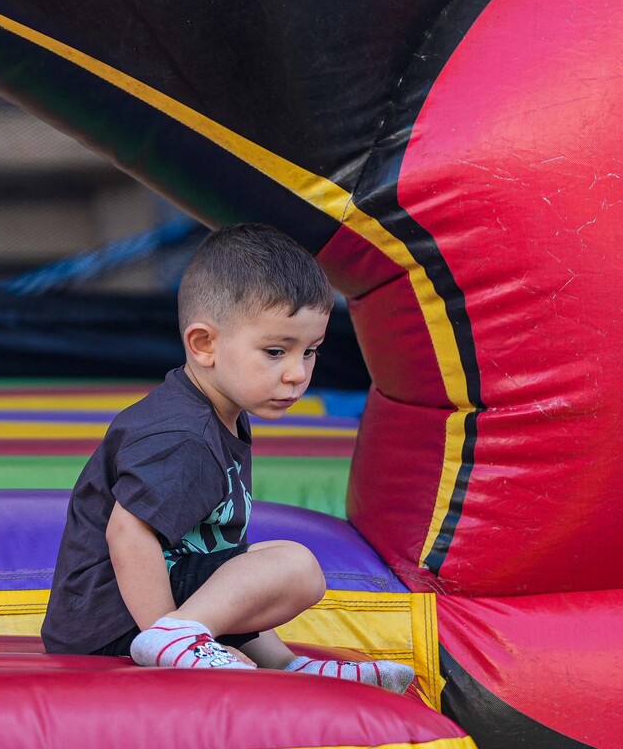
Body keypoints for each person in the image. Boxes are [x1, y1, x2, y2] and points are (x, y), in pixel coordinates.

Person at [41, 223, 414, 693]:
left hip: (150, 603)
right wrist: (165, 636)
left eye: (310, 351)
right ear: (204, 345)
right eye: (275, 352)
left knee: (246, 559)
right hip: (110, 623)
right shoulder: (184, 435)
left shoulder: (220, 413)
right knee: (293, 566)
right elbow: (127, 532)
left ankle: (280, 663)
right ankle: (177, 637)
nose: (297, 374)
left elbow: (212, 557)